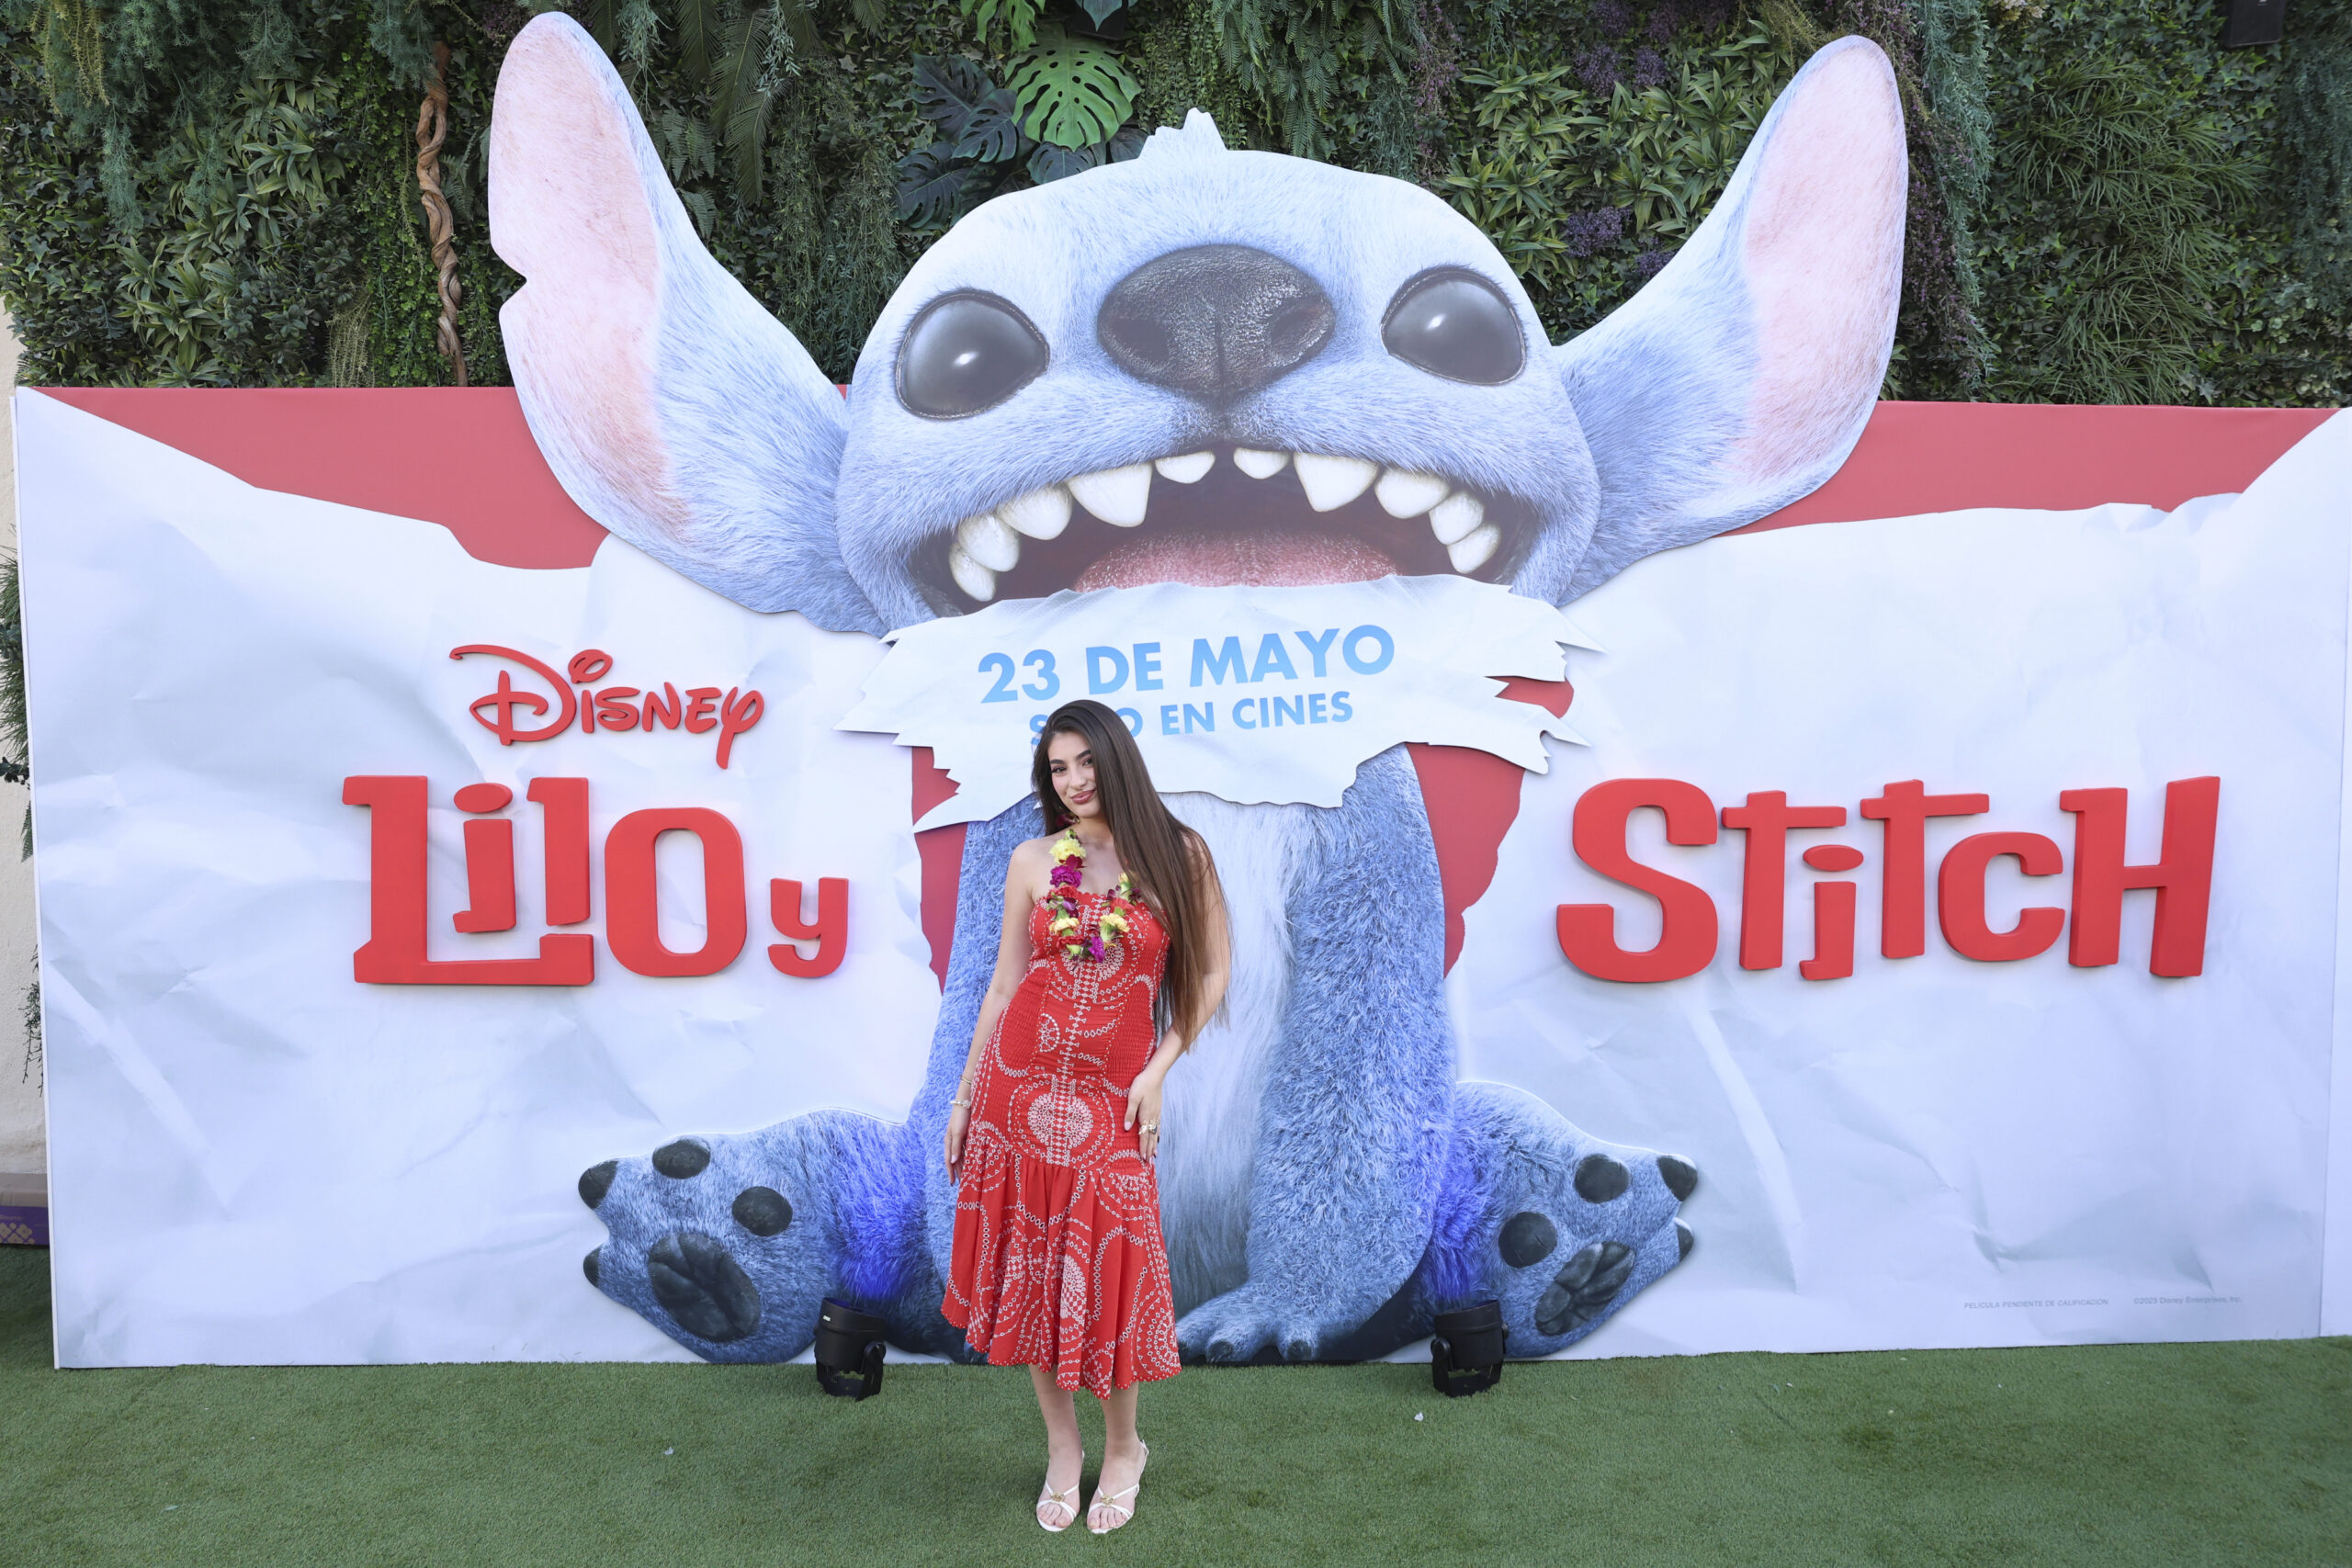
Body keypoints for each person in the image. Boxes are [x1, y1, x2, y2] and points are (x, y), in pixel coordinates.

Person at [942, 698, 1231, 1535]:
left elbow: (1211, 974)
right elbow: (1004, 983)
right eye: (1057, 768)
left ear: (1116, 758)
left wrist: (1158, 1069)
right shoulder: (1033, 860)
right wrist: (964, 1097)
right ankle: (1063, 1447)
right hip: (1017, 1094)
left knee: (1108, 1273)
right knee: (1035, 1268)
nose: (1072, 781)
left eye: (1085, 761)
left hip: (1113, 1098)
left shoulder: (1181, 854)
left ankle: (1126, 1447)